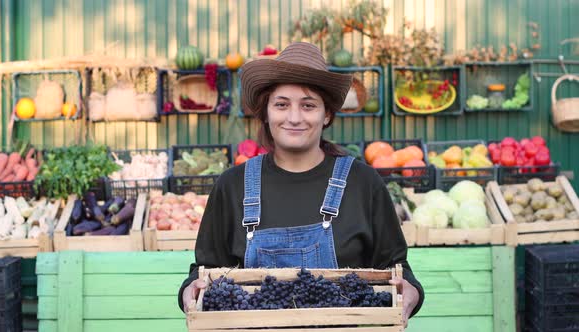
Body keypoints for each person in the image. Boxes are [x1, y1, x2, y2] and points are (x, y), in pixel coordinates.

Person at [178, 42, 424, 325]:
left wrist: (412, 291)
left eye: (308, 105)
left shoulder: (363, 183)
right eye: (281, 104)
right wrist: (189, 291)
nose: (294, 118)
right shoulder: (232, 186)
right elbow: (203, 273)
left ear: (327, 114)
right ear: (266, 113)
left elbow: (397, 270)